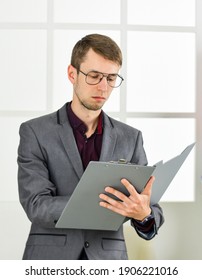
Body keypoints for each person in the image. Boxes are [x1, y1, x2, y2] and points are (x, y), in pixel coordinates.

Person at [17, 33, 164, 260]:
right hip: (49, 262)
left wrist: (143, 214)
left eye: (111, 78)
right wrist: (98, 204)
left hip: (108, 262)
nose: (103, 87)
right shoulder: (35, 132)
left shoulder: (131, 138)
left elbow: (150, 211)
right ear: (72, 74)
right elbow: (36, 205)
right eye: (94, 76)